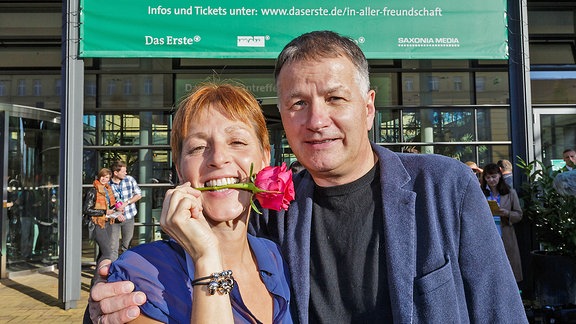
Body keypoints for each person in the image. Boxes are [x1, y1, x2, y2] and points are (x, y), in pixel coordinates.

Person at [87, 31, 527, 323]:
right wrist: (105, 303)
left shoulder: (444, 186)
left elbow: (499, 309)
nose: (317, 120)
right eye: (298, 103)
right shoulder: (271, 210)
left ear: (369, 107)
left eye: (335, 98)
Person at [105, 82, 292, 323]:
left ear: (265, 157)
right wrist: (206, 259)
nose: (218, 158)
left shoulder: (277, 258)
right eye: (199, 147)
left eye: (237, 142)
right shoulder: (139, 276)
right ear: (180, 170)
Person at [480, 163, 524, 282]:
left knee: (508, 264)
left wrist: (507, 213)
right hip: (486, 233)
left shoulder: (510, 192)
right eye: (488, 177)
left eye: (494, 176)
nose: (491, 180)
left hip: (505, 232)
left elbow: (519, 214)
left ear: (499, 175)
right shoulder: (480, 193)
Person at [83, 168, 119, 264]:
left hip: (108, 222)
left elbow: (110, 205)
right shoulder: (93, 191)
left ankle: (97, 277)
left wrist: (116, 209)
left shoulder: (108, 190)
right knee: (107, 252)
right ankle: (99, 277)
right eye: (103, 176)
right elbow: (87, 209)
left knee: (103, 252)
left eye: (107, 177)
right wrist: (104, 212)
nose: (104, 179)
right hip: (97, 223)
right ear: (99, 177)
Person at [109, 161, 142, 260]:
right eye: (123, 171)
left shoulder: (130, 180)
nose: (126, 173)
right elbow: (105, 204)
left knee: (127, 245)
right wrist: (116, 214)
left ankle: (124, 268)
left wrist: (127, 202)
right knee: (113, 247)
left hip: (128, 217)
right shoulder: (108, 184)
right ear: (115, 172)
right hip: (113, 219)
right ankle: (113, 270)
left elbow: (138, 194)